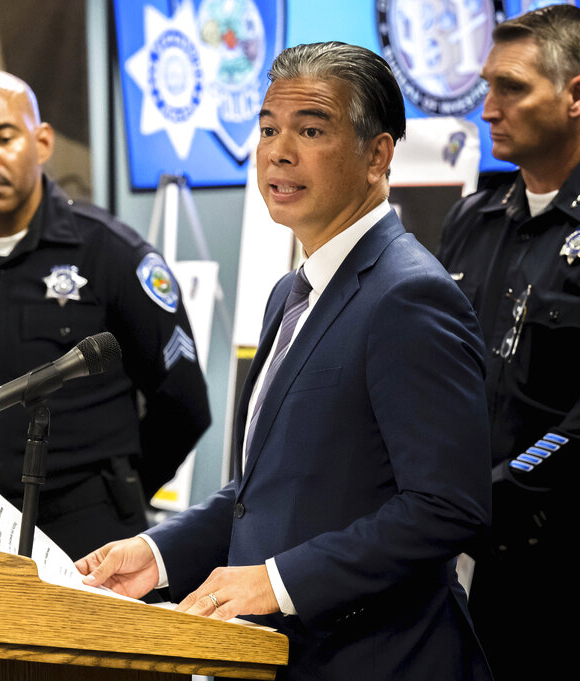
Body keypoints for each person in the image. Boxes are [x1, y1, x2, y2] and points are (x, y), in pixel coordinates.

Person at [76, 43, 493, 680]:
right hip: (285, 661)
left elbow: (447, 507)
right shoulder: (290, 293)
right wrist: (155, 553)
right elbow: (262, 493)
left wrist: (275, 582)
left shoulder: (409, 296)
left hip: (384, 662)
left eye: (311, 130)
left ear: (378, 155)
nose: (278, 151)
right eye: (268, 129)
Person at [0, 70, 211, 560]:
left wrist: (117, 492)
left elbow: (182, 403)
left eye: (3, 136)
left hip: (86, 546)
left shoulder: (112, 255)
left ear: (43, 141)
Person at [436, 5, 580, 678]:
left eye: (512, 88)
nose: (488, 108)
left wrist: (495, 490)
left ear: (575, 95)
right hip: (462, 560)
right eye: (487, 86)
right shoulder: (472, 222)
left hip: (558, 571)